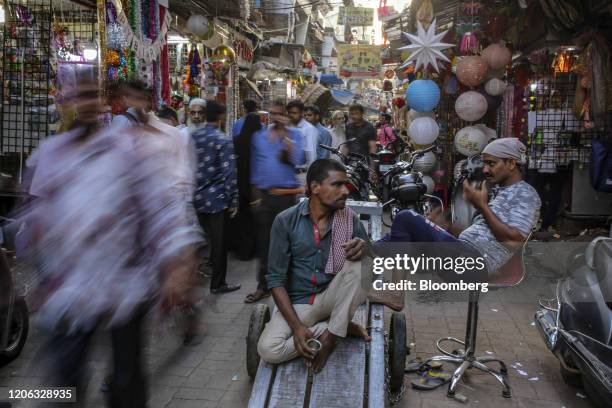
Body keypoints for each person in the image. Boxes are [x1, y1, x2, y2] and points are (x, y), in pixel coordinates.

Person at [22, 77, 201, 407]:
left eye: (92, 96)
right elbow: (35, 217)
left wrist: (178, 258)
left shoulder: (124, 150)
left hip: (124, 283)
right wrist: (39, 269)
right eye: (79, 97)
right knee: (63, 380)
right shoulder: (49, 155)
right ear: (66, 101)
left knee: (127, 376)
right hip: (72, 286)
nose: (86, 103)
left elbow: (155, 208)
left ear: (103, 101)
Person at [257, 158, 371, 372]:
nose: (345, 191)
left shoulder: (349, 219)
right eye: (337, 184)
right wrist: (298, 328)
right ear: (315, 187)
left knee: (364, 264)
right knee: (268, 350)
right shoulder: (285, 221)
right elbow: (275, 280)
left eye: (345, 185)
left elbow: (370, 265)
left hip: (333, 295)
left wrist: (365, 249)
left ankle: (331, 337)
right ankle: (339, 325)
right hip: (301, 302)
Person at [380, 138, 541, 278]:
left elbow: (512, 241)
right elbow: (481, 233)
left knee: (406, 217)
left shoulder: (526, 194)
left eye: (491, 163)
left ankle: (395, 294)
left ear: (511, 163)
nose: (485, 170)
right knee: (405, 232)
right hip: (462, 251)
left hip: (473, 263)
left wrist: (482, 206)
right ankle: (364, 253)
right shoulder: (498, 191)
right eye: (485, 164)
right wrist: (445, 227)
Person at [245, 100, 306, 303]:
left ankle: (287, 285)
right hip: (265, 196)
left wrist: (285, 136)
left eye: (279, 113)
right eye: (272, 113)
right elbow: (255, 165)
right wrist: (255, 198)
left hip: (287, 197)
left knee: (287, 243)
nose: (275, 116)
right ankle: (263, 285)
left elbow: (296, 159)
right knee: (264, 244)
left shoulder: (295, 135)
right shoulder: (259, 137)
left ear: (286, 115)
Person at [192, 101, 241, 294]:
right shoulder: (222, 139)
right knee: (218, 244)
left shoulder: (194, 137)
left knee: (200, 241)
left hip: (197, 196)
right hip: (217, 198)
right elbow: (229, 173)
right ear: (221, 116)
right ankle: (218, 283)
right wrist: (233, 199)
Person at [227, 112, 262, 260]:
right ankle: (254, 250)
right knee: (255, 221)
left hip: (239, 187)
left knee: (241, 221)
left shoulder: (236, 141)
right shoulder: (260, 143)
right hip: (255, 188)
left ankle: (242, 251)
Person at [287, 99, 318, 186]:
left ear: (301, 113)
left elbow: (311, 155)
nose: (291, 115)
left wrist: (311, 179)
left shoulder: (309, 129)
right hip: (288, 174)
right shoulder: (287, 127)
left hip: (301, 176)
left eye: (294, 113)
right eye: (289, 112)